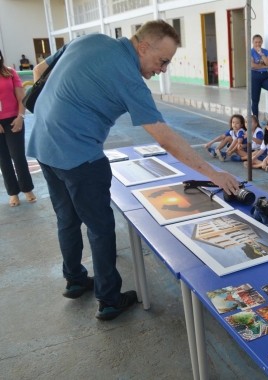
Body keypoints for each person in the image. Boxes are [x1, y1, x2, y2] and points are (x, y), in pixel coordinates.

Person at [27, 20, 240, 321]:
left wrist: (64, 112)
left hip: (44, 146)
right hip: (80, 158)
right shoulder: (129, 77)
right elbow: (165, 137)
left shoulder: (90, 40)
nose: (163, 69)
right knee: (100, 229)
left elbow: (38, 72)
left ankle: (74, 280)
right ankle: (109, 299)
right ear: (143, 48)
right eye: (162, 61)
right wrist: (212, 173)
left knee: (67, 218)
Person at [0, 49, 35, 207]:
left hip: (14, 119)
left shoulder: (10, 72)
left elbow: (21, 97)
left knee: (18, 156)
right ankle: (13, 193)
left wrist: (20, 117)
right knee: (3, 159)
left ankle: (27, 188)